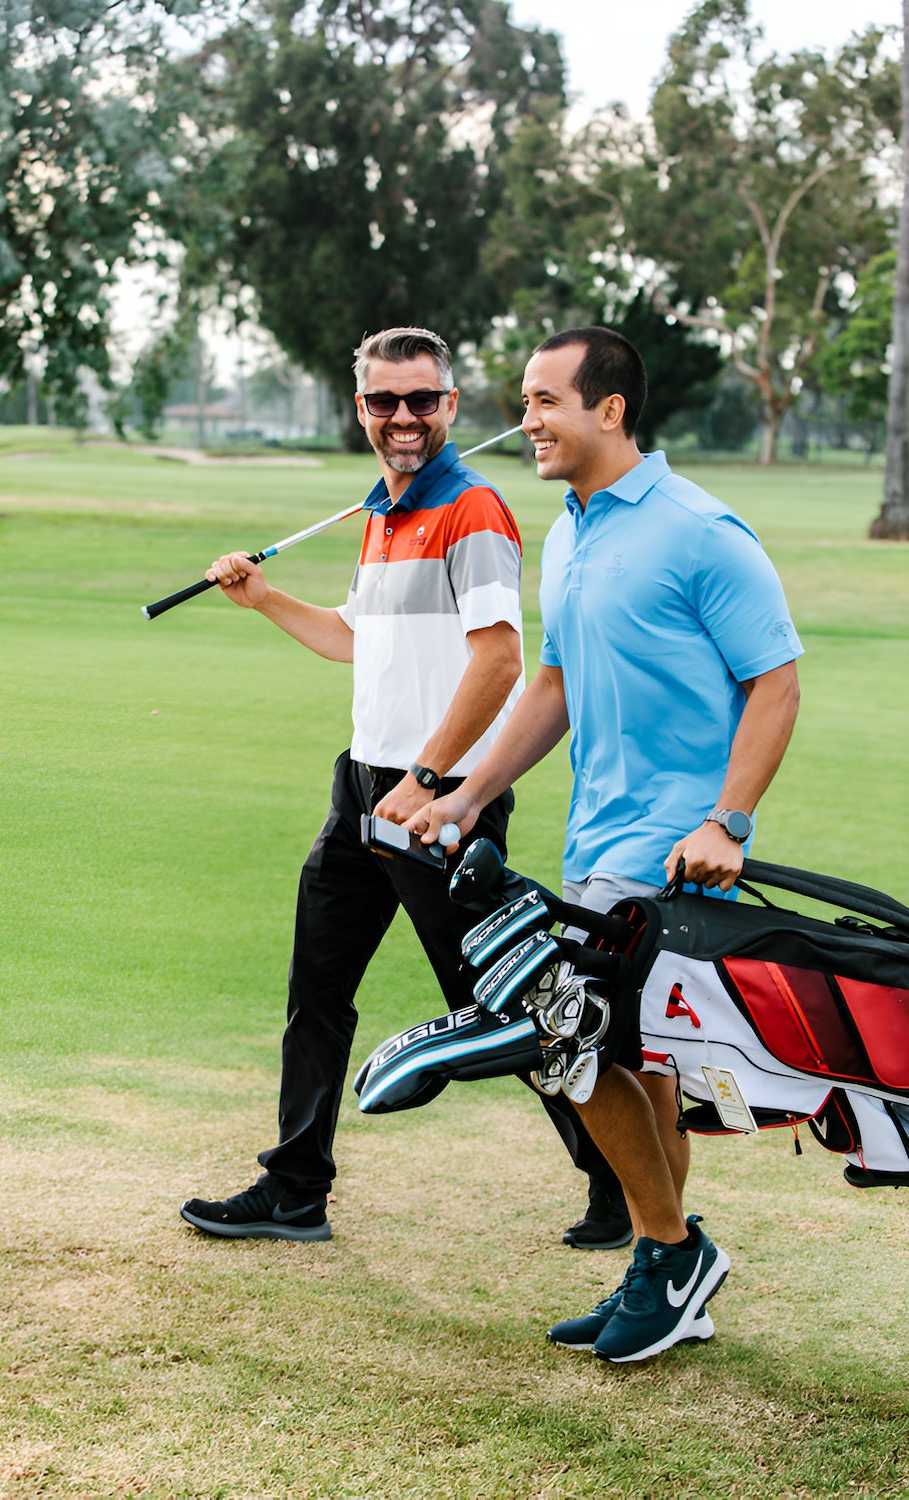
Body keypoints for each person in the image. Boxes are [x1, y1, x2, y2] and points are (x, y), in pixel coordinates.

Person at [179, 325, 626, 1246]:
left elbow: (499, 662)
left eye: (421, 399)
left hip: (442, 804)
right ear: (361, 410)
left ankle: (621, 1184)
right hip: (360, 795)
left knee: (506, 1011)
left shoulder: (474, 510)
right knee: (317, 995)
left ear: (449, 406)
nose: (403, 417)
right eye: (384, 401)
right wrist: (262, 599)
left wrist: (428, 778)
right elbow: (354, 638)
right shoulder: (380, 517)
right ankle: (294, 1188)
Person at [409, 326, 802, 1362]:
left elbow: (774, 679)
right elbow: (555, 685)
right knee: (644, 1067)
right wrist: (465, 793)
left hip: (670, 854)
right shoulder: (573, 530)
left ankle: (673, 1255)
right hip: (596, 837)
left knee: (564, 1039)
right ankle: (666, 1271)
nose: (522, 420)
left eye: (542, 401)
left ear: (610, 410)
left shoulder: (699, 531)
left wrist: (727, 821)